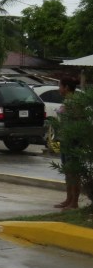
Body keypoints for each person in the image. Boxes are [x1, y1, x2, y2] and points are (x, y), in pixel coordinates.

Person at [55, 76, 80, 210]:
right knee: (67, 171)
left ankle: (74, 202)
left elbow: (78, 121)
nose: (59, 89)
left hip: (72, 141)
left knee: (73, 171)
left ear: (67, 88)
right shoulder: (67, 101)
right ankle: (68, 199)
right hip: (65, 140)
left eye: (60, 86)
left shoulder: (75, 102)